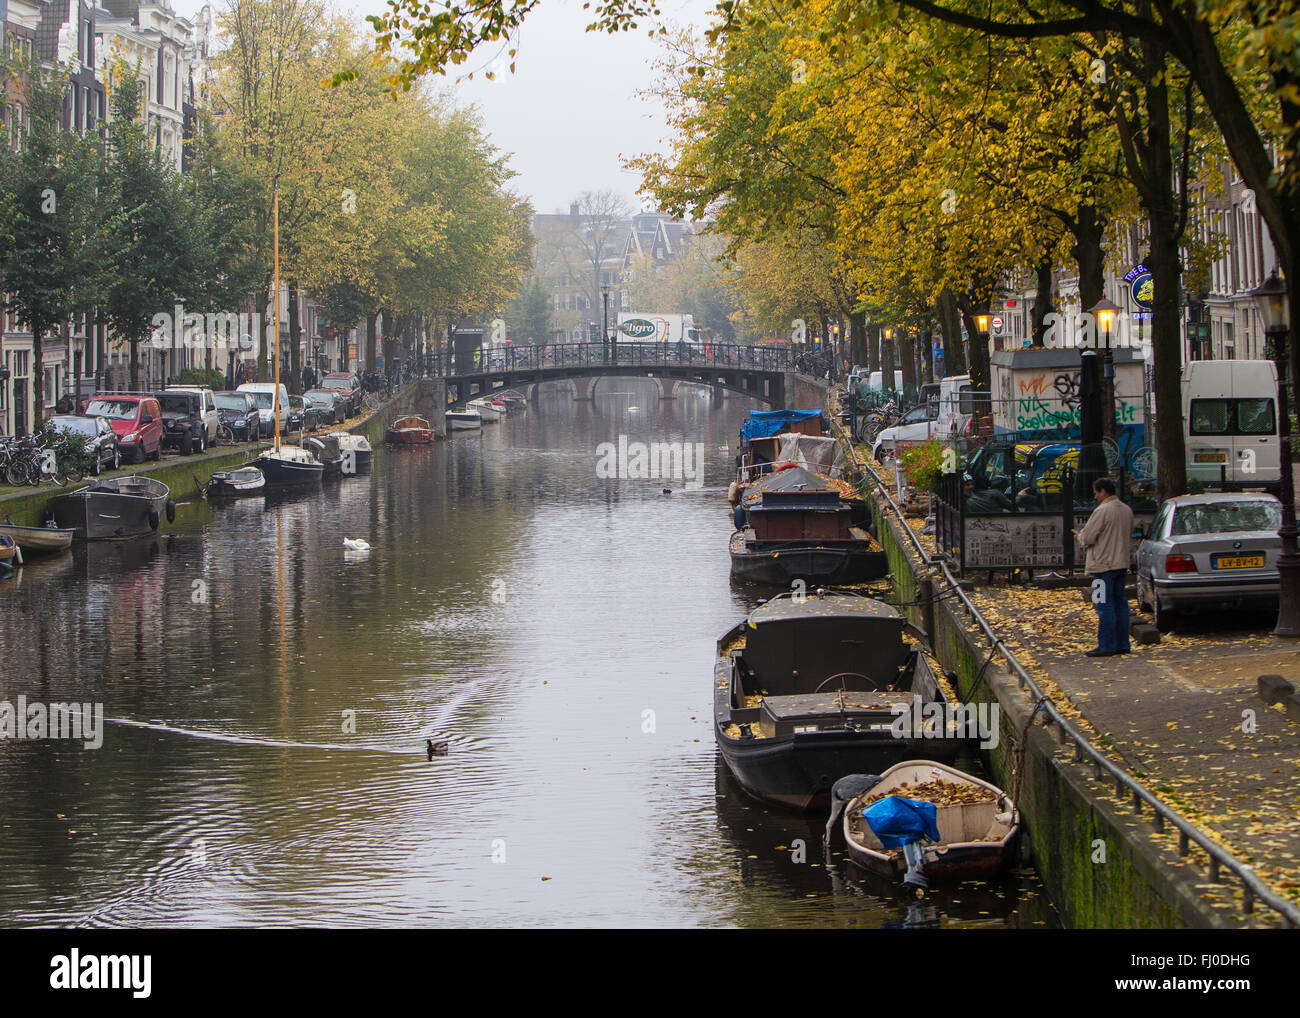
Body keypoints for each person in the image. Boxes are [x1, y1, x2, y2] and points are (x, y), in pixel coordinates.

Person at [1073, 477, 1134, 658]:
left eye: (1096, 492)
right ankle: (1123, 643)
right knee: (1121, 603)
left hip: (1102, 565)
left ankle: (1106, 644)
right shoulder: (1126, 510)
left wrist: (1079, 537)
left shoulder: (1102, 511)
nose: (1095, 496)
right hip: (1121, 563)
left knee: (1103, 604)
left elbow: (1089, 537)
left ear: (1102, 491)